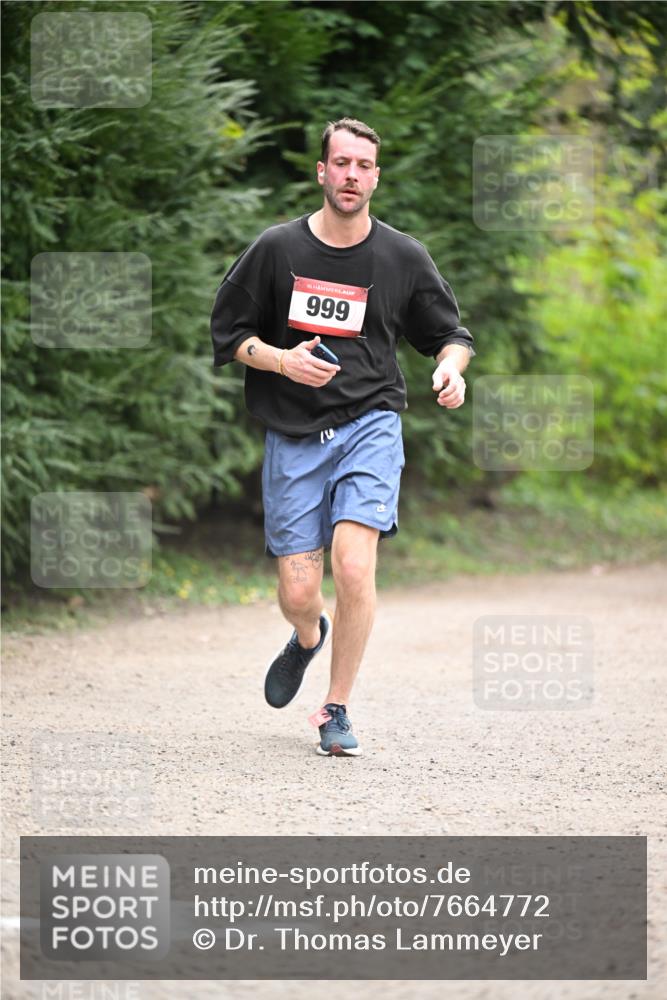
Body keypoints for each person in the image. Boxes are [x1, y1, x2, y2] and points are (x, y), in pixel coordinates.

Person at [210, 117, 474, 758]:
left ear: (375, 177)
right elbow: (230, 333)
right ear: (321, 171)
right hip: (294, 434)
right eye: (342, 163)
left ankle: (336, 708)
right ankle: (308, 636)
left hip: (369, 424)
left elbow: (451, 335)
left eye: (364, 165)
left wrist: (450, 368)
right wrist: (282, 361)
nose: (352, 175)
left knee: (354, 564)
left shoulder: (401, 256)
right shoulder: (277, 249)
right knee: (298, 592)